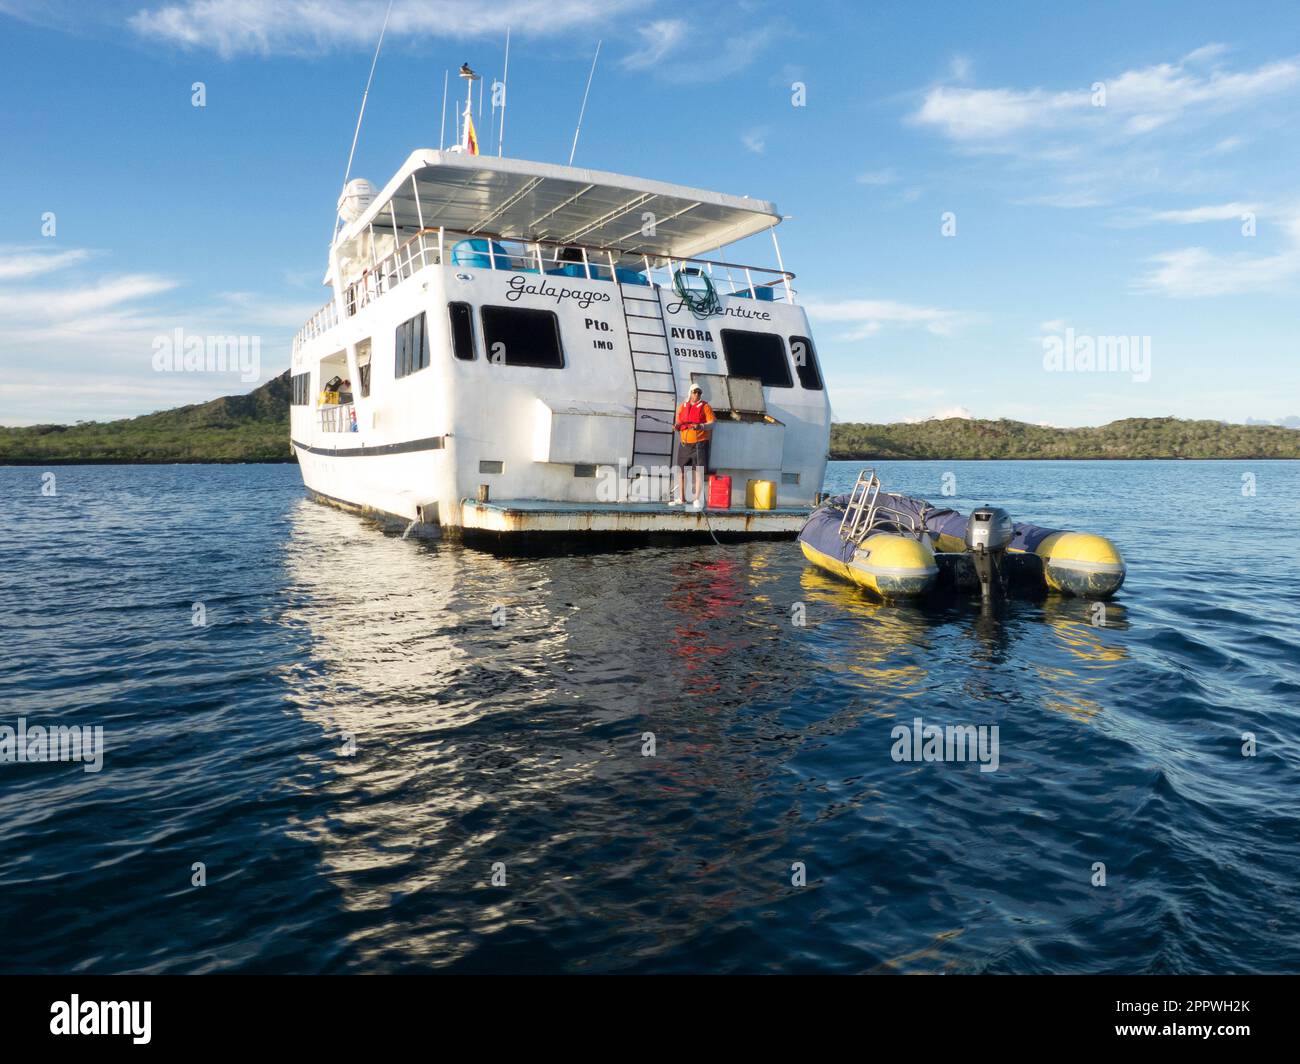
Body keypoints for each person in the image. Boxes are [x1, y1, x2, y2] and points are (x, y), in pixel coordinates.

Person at [669, 383, 715, 509]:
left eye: (699, 392)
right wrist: (676, 426)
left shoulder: (706, 407)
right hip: (684, 444)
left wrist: (701, 426)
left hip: (699, 444)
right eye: (695, 392)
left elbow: (712, 424)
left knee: (698, 471)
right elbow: (679, 422)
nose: (697, 394)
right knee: (680, 471)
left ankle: (697, 499)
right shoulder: (682, 407)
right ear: (690, 393)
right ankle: (681, 498)